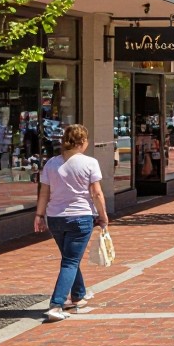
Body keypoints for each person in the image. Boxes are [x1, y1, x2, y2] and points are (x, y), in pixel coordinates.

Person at [35, 124, 110, 322]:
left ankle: (78, 293)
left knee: (69, 257)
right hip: (81, 217)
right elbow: (96, 193)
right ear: (83, 142)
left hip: (55, 218)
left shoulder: (51, 164)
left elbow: (44, 192)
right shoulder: (90, 163)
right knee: (70, 261)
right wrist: (103, 215)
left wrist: (39, 215)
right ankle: (57, 303)